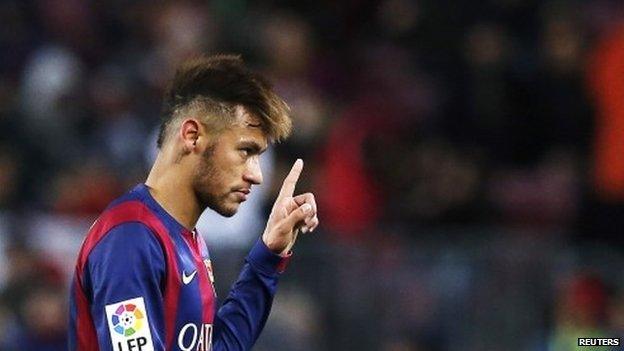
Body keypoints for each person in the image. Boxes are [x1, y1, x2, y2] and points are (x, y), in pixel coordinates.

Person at [68, 54, 319, 351]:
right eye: (245, 151)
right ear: (192, 135)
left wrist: (268, 256)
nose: (256, 175)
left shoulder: (186, 240)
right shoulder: (131, 238)